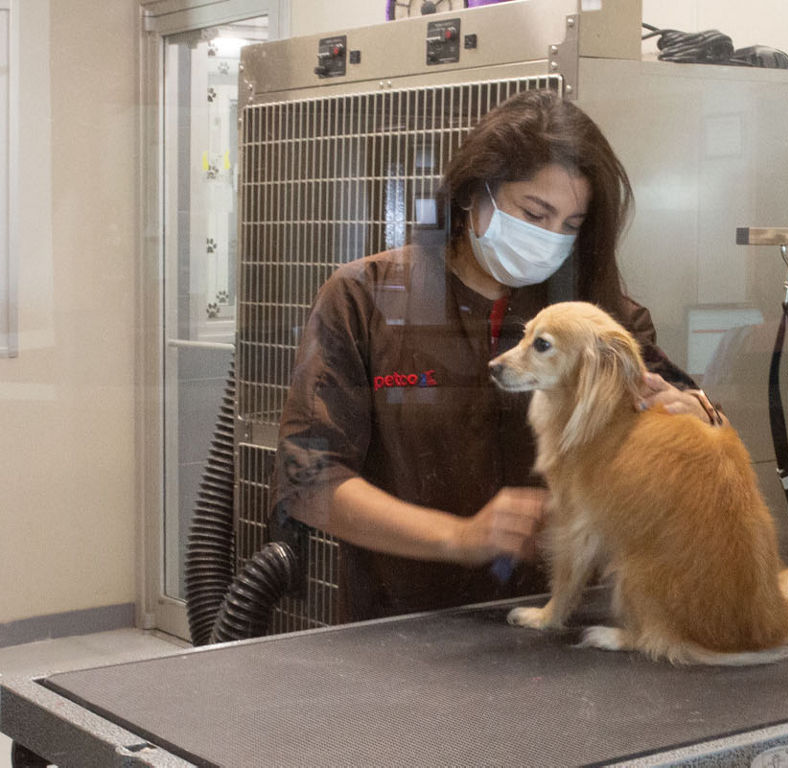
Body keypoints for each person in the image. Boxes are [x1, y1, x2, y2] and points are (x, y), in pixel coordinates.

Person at [271, 90, 722, 623]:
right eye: (535, 213)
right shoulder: (366, 298)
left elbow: (693, 436)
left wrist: (697, 417)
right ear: (474, 192)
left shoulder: (600, 320)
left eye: (572, 225)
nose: (551, 239)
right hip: (403, 625)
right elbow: (308, 480)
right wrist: (462, 537)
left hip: (573, 620)